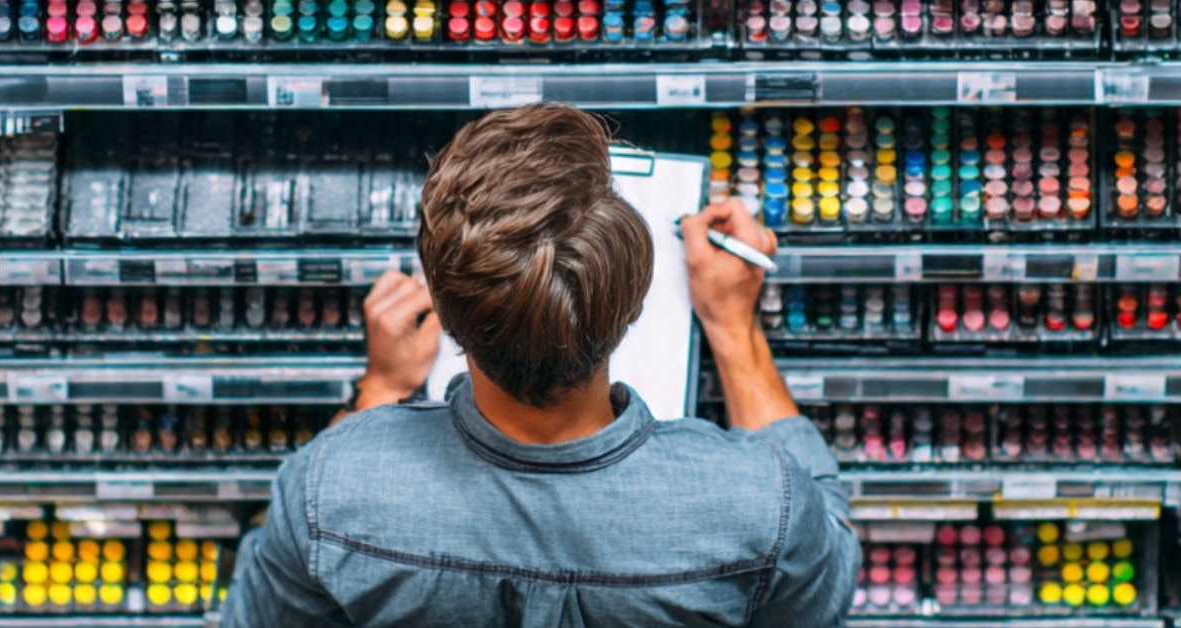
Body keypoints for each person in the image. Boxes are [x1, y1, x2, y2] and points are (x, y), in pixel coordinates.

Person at [222, 103, 861, 627]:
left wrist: (383, 385)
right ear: (633, 301)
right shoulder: (756, 503)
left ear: (443, 309)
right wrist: (733, 325)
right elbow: (824, 581)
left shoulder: (327, 490)